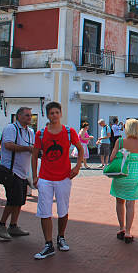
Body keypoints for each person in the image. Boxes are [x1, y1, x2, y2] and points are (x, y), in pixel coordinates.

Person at [31, 101, 83, 260]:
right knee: (44, 211)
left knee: (63, 210)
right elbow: (34, 155)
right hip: (45, 177)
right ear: (47, 115)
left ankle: (61, 237)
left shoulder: (69, 132)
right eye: (51, 113)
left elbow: (80, 149)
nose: (54, 115)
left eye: (56, 112)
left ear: (60, 114)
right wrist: (35, 175)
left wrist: (77, 167)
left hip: (64, 177)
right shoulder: (41, 133)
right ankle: (48, 244)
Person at [0, 107, 35, 241]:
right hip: (11, 171)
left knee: (20, 200)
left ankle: (13, 225)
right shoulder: (11, 128)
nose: (29, 118)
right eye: (27, 115)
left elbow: (34, 148)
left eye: (30, 115)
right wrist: (27, 148)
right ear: (19, 116)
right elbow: (8, 145)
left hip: (23, 172)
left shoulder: (30, 132)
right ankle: (1, 225)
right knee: (13, 200)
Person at [110, 118, 138, 243]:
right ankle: (128, 232)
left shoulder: (120, 141)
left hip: (121, 175)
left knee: (119, 202)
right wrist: (134, 160)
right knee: (130, 204)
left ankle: (121, 228)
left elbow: (111, 158)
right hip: (134, 175)